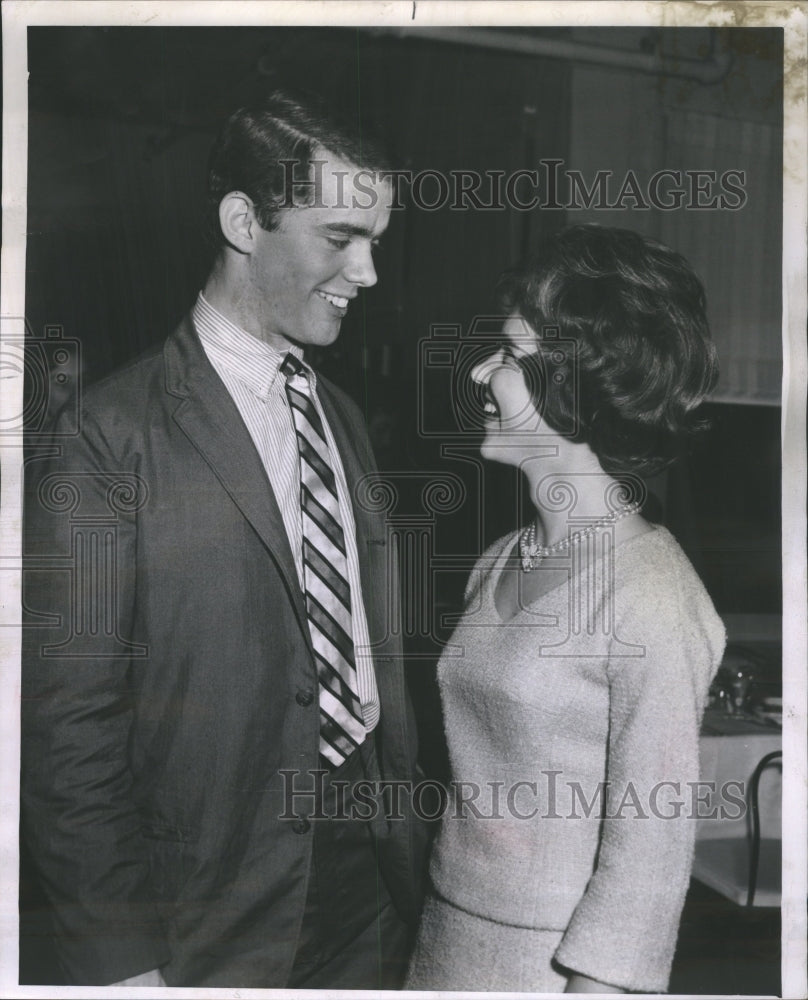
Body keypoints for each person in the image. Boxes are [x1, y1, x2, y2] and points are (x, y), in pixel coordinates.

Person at [22, 91, 425, 989]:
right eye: (339, 237)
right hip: (206, 916)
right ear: (244, 221)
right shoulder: (107, 435)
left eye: (376, 242)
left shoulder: (344, 418)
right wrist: (122, 962)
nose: (367, 273)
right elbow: (65, 732)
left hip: (368, 898)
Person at [405, 225, 726, 994]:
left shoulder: (651, 597)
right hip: (444, 941)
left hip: (552, 972)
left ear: (576, 386)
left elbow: (647, 865)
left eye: (510, 357)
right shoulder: (498, 561)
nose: (483, 372)